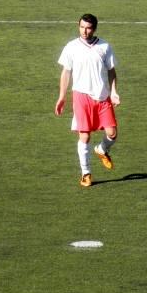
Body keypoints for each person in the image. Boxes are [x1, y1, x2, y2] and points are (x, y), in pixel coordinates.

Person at [54, 14, 120, 187]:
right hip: (81, 96)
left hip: (102, 96)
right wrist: (61, 97)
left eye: (88, 28)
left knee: (112, 133)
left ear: (94, 29)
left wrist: (114, 92)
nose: (84, 31)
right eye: (82, 27)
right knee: (84, 136)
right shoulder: (71, 47)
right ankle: (86, 173)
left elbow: (111, 71)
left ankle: (102, 149)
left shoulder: (104, 46)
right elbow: (66, 73)